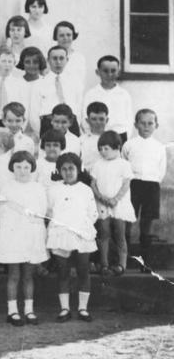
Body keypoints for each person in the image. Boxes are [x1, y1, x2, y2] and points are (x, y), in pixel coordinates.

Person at [0, 151, 48, 326]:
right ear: (12, 168)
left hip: (31, 236)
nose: (22, 171)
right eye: (18, 167)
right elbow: (2, 213)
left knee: (28, 275)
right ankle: (12, 311)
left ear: (32, 168)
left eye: (26, 167)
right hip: (13, 236)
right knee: (14, 275)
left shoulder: (37, 188)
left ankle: (29, 310)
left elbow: (41, 212)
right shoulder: (7, 188)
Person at [47, 153, 98, 323]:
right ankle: (65, 309)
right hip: (61, 234)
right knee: (63, 272)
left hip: (81, 234)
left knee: (83, 270)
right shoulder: (53, 190)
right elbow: (49, 211)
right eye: (64, 169)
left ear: (78, 169)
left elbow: (92, 213)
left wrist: (81, 227)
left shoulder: (85, 189)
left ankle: (83, 308)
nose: (68, 172)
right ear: (59, 171)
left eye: (71, 168)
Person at [122, 109, 166, 270]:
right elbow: (124, 164)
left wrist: (153, 181)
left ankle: (145, 262)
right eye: (143, 123)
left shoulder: (159, 147)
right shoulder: (129, 144)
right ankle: (124, 260)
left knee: (146, 224)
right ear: (136, 125)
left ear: (156, 125)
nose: (146, 126)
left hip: (151, 186)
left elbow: (161, 169)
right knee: (127, 220)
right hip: (133, 185)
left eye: (150, 123)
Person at [90, 131, 134, 276]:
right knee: (103, 234)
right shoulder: (98, 164)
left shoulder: (124, 164)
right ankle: (104, 264)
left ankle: (122, 264)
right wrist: (101, 197)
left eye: (106, 148)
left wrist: (115, 199)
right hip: (102, 204)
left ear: (117, 147)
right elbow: (93, 183)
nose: (103, 151)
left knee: (120, 234)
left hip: (118, 205)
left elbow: (126, 184)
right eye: (100, 149)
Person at [30, 45, 83, 136]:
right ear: (48, 60)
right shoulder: (39, 84)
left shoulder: (75, 82)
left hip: (71, 124)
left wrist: (75, 124)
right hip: (48, 124)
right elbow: (34, 114)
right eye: (54, 58)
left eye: (61, 58)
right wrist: (42, 133)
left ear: (67, 60)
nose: (58, 62)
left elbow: (79, 107)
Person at [81, 56, 133, 140]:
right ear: (98, 72)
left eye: (113, 71)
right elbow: (84, 119)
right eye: (105, 71)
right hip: (96, 136)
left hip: (119, 136)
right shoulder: (90, 94)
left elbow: (129, 121)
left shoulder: (124, 94)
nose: (109, 75)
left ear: (118, 72)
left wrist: (124, 138)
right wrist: (90, 136)